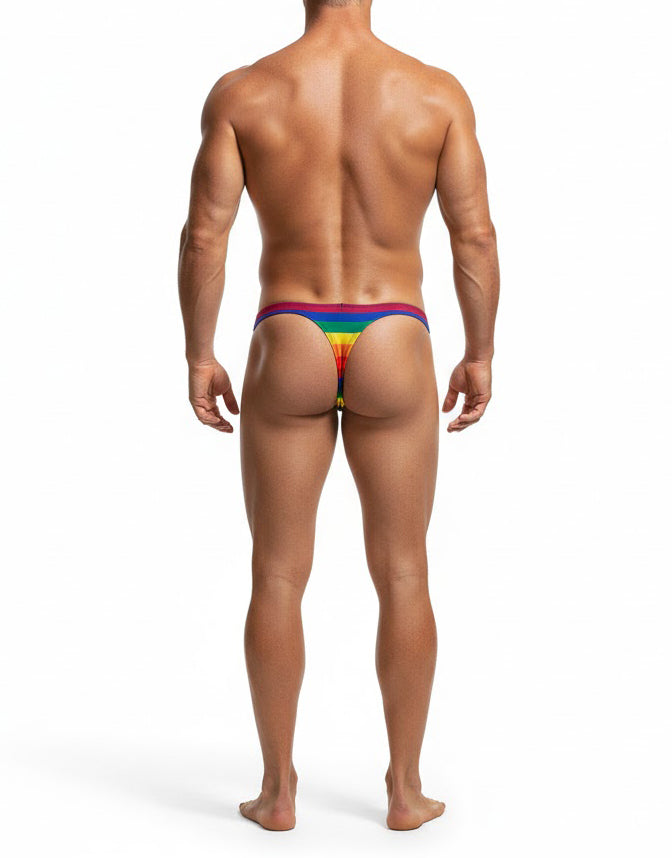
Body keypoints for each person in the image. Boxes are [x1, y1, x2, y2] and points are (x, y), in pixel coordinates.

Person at [177, 0, 499, 833]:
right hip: (395, 332)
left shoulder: (246, 92)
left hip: (290, 329)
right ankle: (406, 791)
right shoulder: (434, 93)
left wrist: (200, 353)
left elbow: (205, 236)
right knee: (405, 573)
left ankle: (277, 792)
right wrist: (480, 351)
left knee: (277, 575)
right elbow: (473, 239)